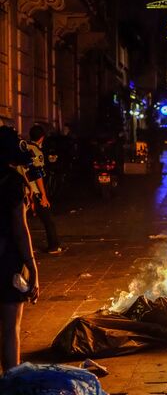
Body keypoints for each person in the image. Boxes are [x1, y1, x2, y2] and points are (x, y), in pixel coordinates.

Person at [0, 125, 40, 371]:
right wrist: (32, 267)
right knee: (10, 329)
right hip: (7, 263)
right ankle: (10, 382)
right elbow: (20, 229)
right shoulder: (13, 182)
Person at [20, 124, 64, 254]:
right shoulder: (36, 152)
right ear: (42, 138)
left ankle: (24, 247)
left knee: (23, 221)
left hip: (22, 190)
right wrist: (43, 195)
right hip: (34, 191)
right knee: (48, 220)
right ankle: (54, 246)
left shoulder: (23, 148)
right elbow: (37, 175)